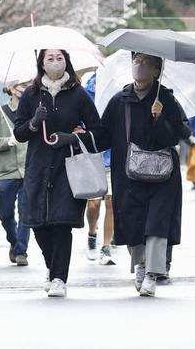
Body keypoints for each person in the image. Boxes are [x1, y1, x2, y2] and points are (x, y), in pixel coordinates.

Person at [91, 52, 191, 297]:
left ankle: (152, 273)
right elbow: (104, 136)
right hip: (128, 174)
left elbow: (180, 133)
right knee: (133, 221)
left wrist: (160, 119)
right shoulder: (119, 100)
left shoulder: (167, 99)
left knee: (157, 223)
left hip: (163, 174)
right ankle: (141, 265)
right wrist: (80, 137)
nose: (139, 67)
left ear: (157, 70)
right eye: (136, 62)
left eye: (146, 63)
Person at [13, 48, 101, 298]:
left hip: (68, 167)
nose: (55, 62)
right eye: (49, 58)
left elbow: (98, 131)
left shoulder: (79, 95)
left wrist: (72, 137)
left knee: (62, 223)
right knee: (38, 224)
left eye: (59, 58)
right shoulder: (31, 95)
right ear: (41, 63)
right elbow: (19, 133)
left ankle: (60, 278)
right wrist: (32, 122)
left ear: (67, 62)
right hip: (38, 167)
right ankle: (53, 267)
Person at [0, 81, 30, 266]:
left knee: (26, 213)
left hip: (28, 171)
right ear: (11, 89)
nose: (24, 89)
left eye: (28, 85)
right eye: (20, 85)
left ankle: (21, 252)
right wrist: (6, 141)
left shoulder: (33, 112)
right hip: (7, 172)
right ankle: (14, 240)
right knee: (4, 213)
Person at [83, 72, 117, 266]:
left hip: (113, 157)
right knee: (94, 204)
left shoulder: (118, 94)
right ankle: (91, 234)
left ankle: (106, 247)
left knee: (111, 203)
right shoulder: (85, 94)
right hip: (92, 156)